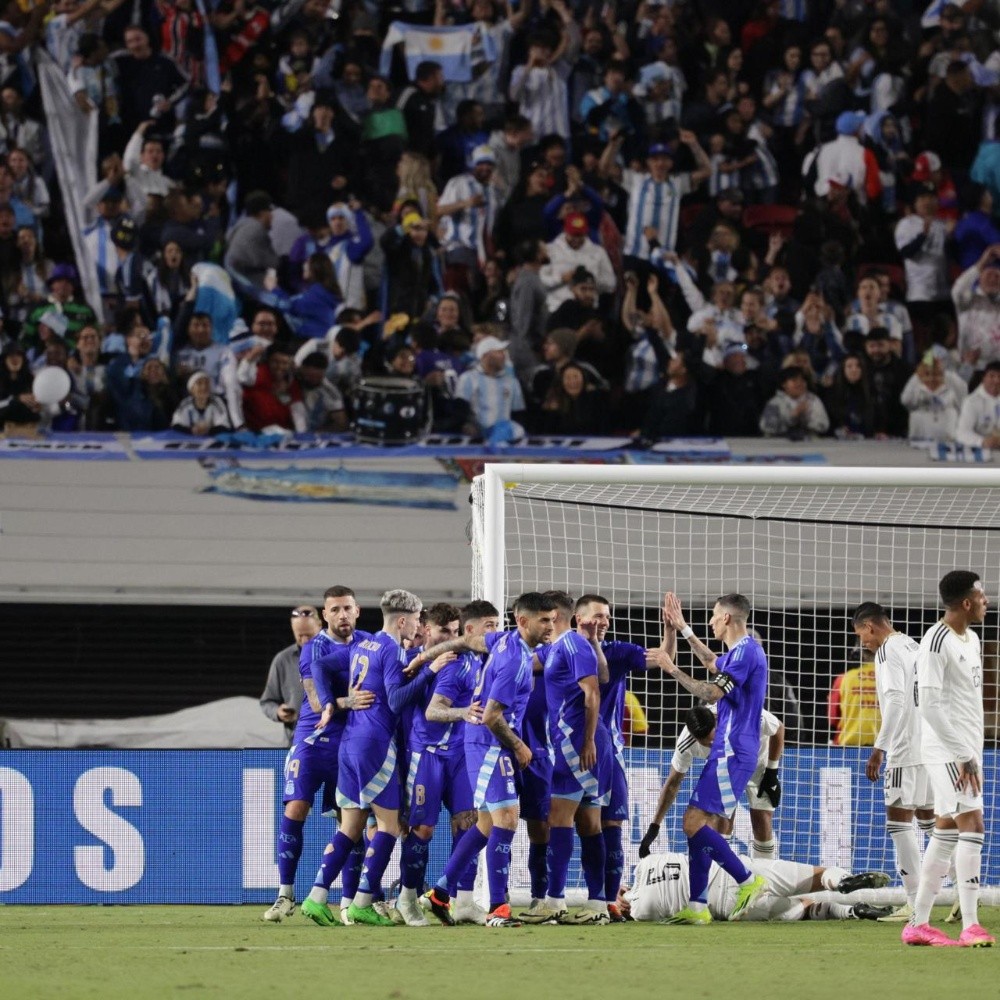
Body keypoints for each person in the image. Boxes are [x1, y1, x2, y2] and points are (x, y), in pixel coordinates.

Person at [302, 589, 452, 927]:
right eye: (416, 620)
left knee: (351, 826)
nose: (418, 627)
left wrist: (330, 701)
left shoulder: (362, 644)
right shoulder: (387, 649)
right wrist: (430, 670)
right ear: (402, 620)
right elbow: (397, 701)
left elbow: (319, 665)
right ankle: (364, 902)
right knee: (388, 825)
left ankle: (315, 896)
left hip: (350, 743)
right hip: (375, 744)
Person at [414, 591, 557, 927]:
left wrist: (422, 659)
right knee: (507, 819)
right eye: (544, 621)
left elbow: (463, 642)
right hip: (491, 744)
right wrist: (520, 746)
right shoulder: (514, 662)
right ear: (523, 621)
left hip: (486, 744)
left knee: (486, 824)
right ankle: (498, 908)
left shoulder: (502, 641)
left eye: (552, 619)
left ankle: (439, 892)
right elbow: (492, 717)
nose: (551, 626)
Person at [647, 591, 769, 925]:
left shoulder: (746, 653)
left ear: (727, 618)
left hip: (732, 749)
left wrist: (670, 668)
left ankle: (748, 880)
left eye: (714, 616)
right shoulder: (740, 652)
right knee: (694, 824)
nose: (711, 621)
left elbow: (710, 692)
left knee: (692, 822)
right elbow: (712, 663)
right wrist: (683, 629)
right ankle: (698, 906)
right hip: (730, 749)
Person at [262, 586, 372, 924]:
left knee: (352, 822)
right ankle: (285, 894)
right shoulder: (314, 649)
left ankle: (348, 902)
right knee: (296, 807)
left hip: (350, 745)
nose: (342, 615)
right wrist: (349, 701)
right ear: (325, 615)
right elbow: (313, 703)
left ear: (357, 612)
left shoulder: (370, 643)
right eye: (335, 609)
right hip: (312, 741)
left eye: (347, 608)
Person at [905, 571, 994, 948]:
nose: (987, 599)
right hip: (947, 751)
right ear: (967, 602)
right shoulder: (936, 640)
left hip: (966, 750)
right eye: (981, 593)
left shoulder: (971, 639)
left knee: (945, 832)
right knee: (972, 822)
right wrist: (961, 754)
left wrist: (971, 751)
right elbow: (930, 704)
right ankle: (971, 924)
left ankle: (918, 924)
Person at [402, 600, 500, 926]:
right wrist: (464, 713)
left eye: (456, 632)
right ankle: (407, 899)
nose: (451, 638)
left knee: (468, 822)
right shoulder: (416, 661)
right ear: (426, 630)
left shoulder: (468, 659)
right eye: (445, 631)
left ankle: (464, 901)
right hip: (426, 753)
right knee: (423, 829)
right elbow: (428, 710)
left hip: (459, 753)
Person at [517, 591, 609, 925]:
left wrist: (586, 742)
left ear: (554, 614)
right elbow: (527, 662)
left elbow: (593, 691)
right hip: (574, 741)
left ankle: (554, 900)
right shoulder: (557, 648)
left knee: (558, 818)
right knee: (588, 822)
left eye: (544, 614)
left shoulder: (573, 645)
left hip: (577, 742)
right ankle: (597, 904)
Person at [852, 602, 934, 924]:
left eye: (861, 636)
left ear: (870, 627)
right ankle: (964, 890)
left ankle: (915, 904)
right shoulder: (911, 645)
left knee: (899, 826)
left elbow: (897, 700)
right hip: (928, 748)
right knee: (931, 825)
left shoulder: (887, 651)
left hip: (904, 750)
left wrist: (879, 749)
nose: (863, 644)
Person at [640, 701, 784, 862]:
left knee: (761, 818)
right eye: (706, 743)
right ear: (694, 737)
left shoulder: (742, 715)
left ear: (717, 722)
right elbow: (673, 783)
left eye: (712, 738)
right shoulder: (686, 744)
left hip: (758, 759)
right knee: (722, 819)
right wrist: (655, 825)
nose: (712, 744)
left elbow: (778, 728)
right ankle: (724, 875)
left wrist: (772, 771)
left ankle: (765, 874)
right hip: (726, 767)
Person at [621, 852, 891, 923]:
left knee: (807, 909)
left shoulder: (641, 913)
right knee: (819, 876)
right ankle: (843, 881)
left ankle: (851, 912)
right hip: (737, 873)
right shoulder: (644, 865)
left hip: (730, 908)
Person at [955, 360, 1000, 449]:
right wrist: (982, 441)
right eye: (992, 376)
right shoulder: (971, 402)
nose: (997, 381)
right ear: (984, 378)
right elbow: (962, 433)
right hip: (980, 453)